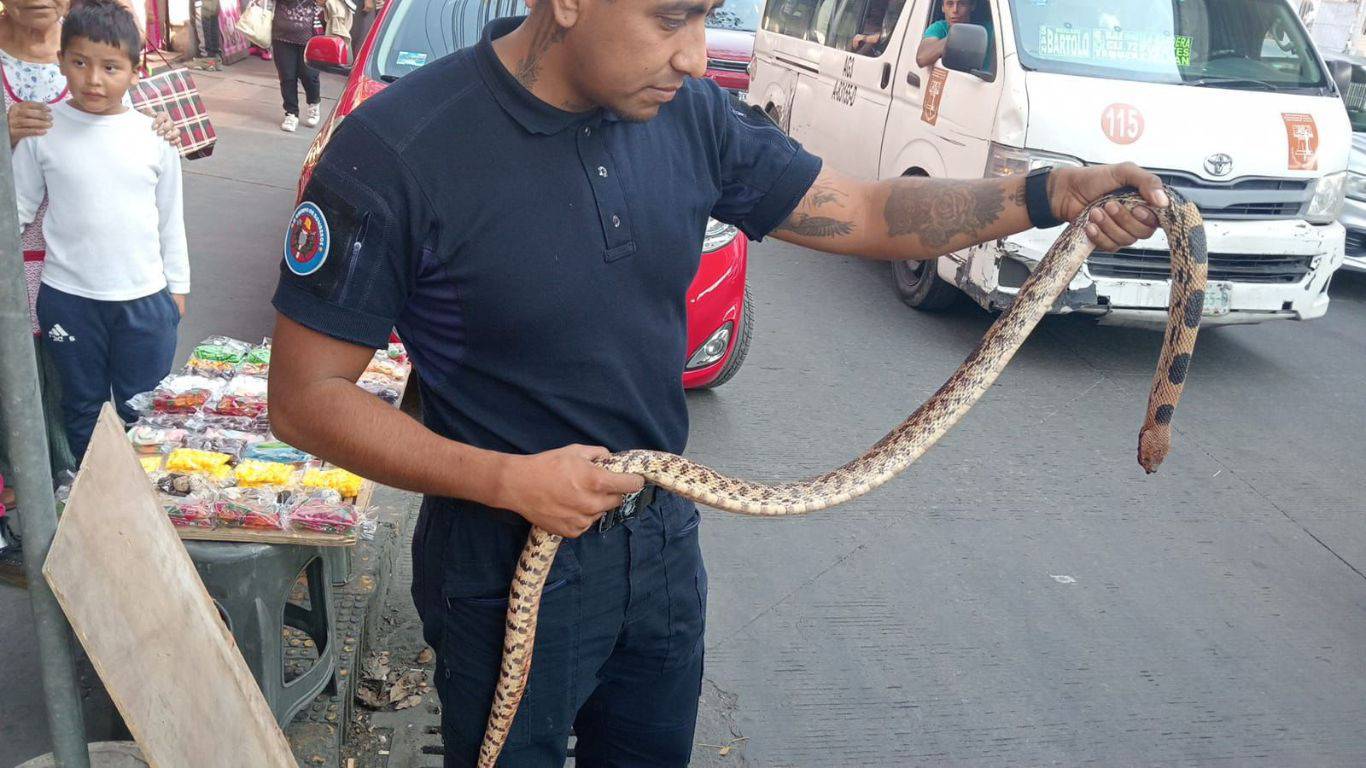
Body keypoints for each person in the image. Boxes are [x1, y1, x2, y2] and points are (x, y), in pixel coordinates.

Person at [265, 0, 1167, 764]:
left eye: (707, 13)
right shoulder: (394, 150)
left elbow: (863, 209)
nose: (697, 53)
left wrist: (1054, 193)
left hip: (659, 547)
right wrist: (507, 480)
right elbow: (307, 398)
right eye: (670, 17)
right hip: (501, 562)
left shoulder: (688, 114)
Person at [12, 0, 190, 462]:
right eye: (79, 63)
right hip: (68, 300)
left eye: (111, 67)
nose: (93, 80)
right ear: (61, 62)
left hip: (146, 302)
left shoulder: (155, 136)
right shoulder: (43, 132)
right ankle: (90, 501)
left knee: (143, 410)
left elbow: (171, 218)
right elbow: (18, 209)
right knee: (82, 405)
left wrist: (178, 288)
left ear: (135, 71)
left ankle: (144, 504)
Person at [272, 0, 323, 131]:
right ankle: (291, 113)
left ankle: (314, 102)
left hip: (310, 36)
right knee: (287, 76)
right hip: (281, 34)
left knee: (309, 75)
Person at [916, 0, 992, 69]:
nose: (955, 10)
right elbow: (921, 58)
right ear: (943, 7)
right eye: (949, 3)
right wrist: (954, 37)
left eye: (962, 3)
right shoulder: (939, 28)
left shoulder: (988, 30)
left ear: (972, 6)